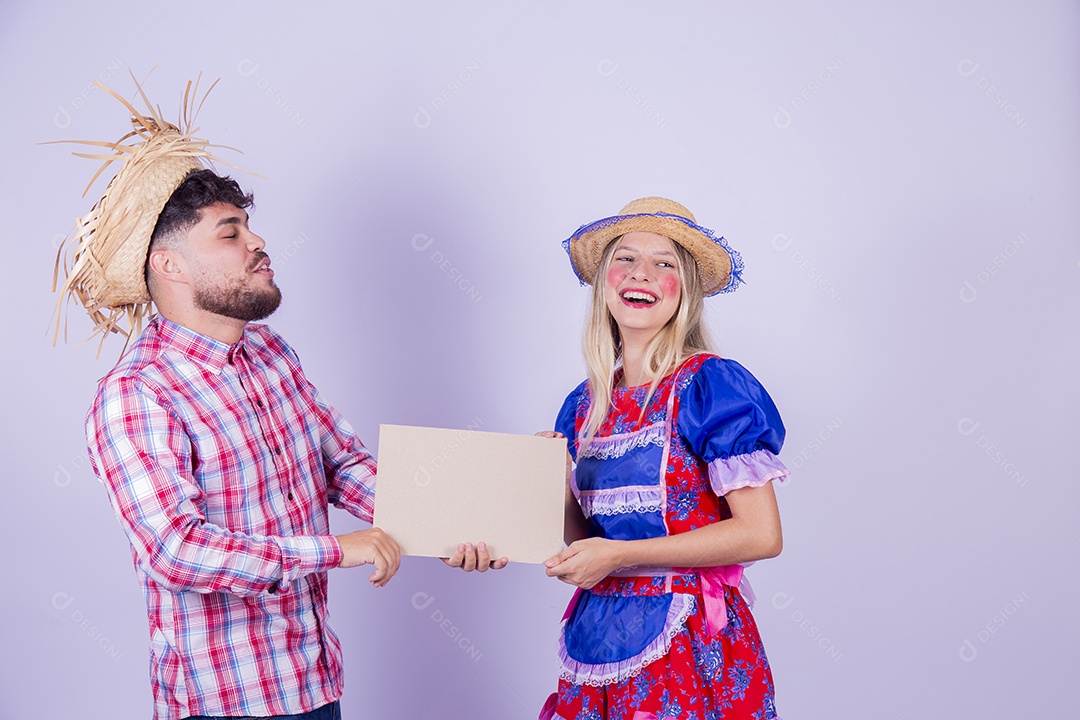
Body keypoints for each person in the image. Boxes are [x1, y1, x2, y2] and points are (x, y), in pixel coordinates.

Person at [55, 77, 501, 720]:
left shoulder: (269, 354)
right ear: (168, 265)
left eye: (249, 228)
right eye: (229, 233)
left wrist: (461, 516)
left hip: (311, 679)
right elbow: (175, 549)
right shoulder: (137, 393)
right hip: (224, 701)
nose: (258, 244)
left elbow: (341, 465)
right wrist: (338, 549)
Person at [538, 197, 790, 720]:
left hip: (689, 644)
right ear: (605, 278)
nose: (641, 274)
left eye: (665, 263)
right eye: (625, 258)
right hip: (598, 639)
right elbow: (584, 542)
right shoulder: (584, 404)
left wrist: (620, 557)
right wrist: (555, 486)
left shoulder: (710, 387)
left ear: (687, 290)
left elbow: (761, 535)